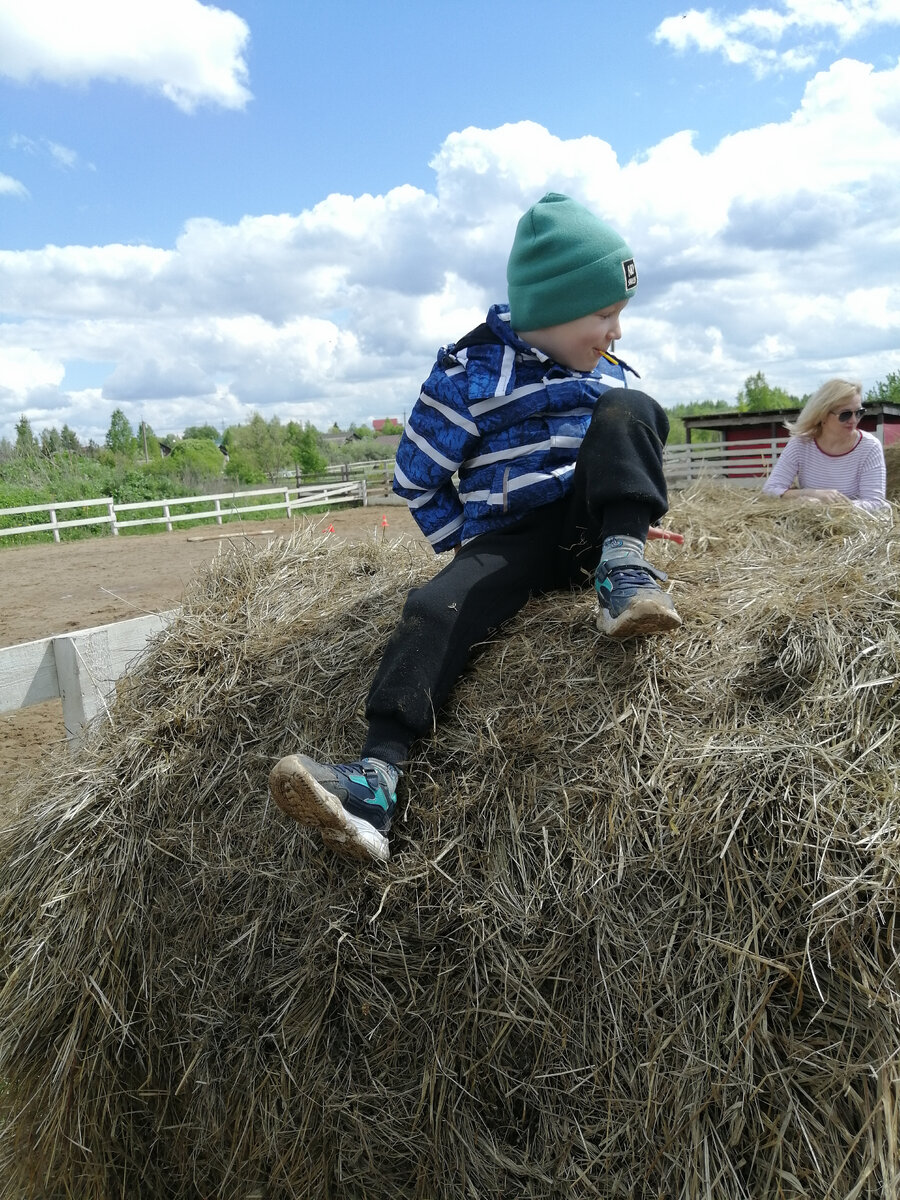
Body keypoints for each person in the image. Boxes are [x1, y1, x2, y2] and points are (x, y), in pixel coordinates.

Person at [270, 192, 681, 862]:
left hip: (589, 525)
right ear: (553, 305)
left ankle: (624, 568)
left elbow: (629, 448)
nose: (617, 333)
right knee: (433, 606)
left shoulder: (603, 380)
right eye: (605, 314)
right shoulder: (466, 377)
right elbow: (415, 473)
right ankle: (376, 780)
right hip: (512, 539)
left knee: (633, 409)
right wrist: (464, 544)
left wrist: (624, 518)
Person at [762, 379, 888, 511]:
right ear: (822, 415)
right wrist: (810, 494)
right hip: (811, 524)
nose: (854, 420)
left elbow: (875, 503)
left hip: (858, 527)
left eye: (859, 412)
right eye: (845, 414)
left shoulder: (869, 447)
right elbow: (770, 490)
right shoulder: (800, 444)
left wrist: (830, 507)